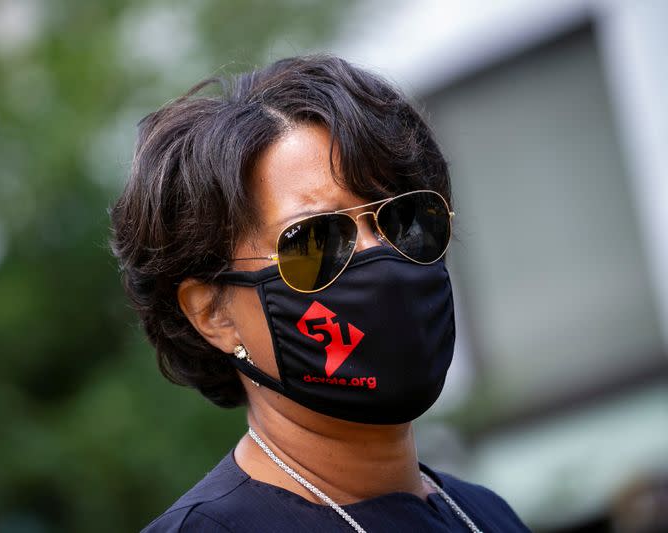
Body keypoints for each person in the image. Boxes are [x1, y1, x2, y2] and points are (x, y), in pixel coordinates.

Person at [111, 54, 529, 532]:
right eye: (315, 241)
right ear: (214, 315)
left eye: (404, 220)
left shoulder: (486, 516)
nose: (381, 257)